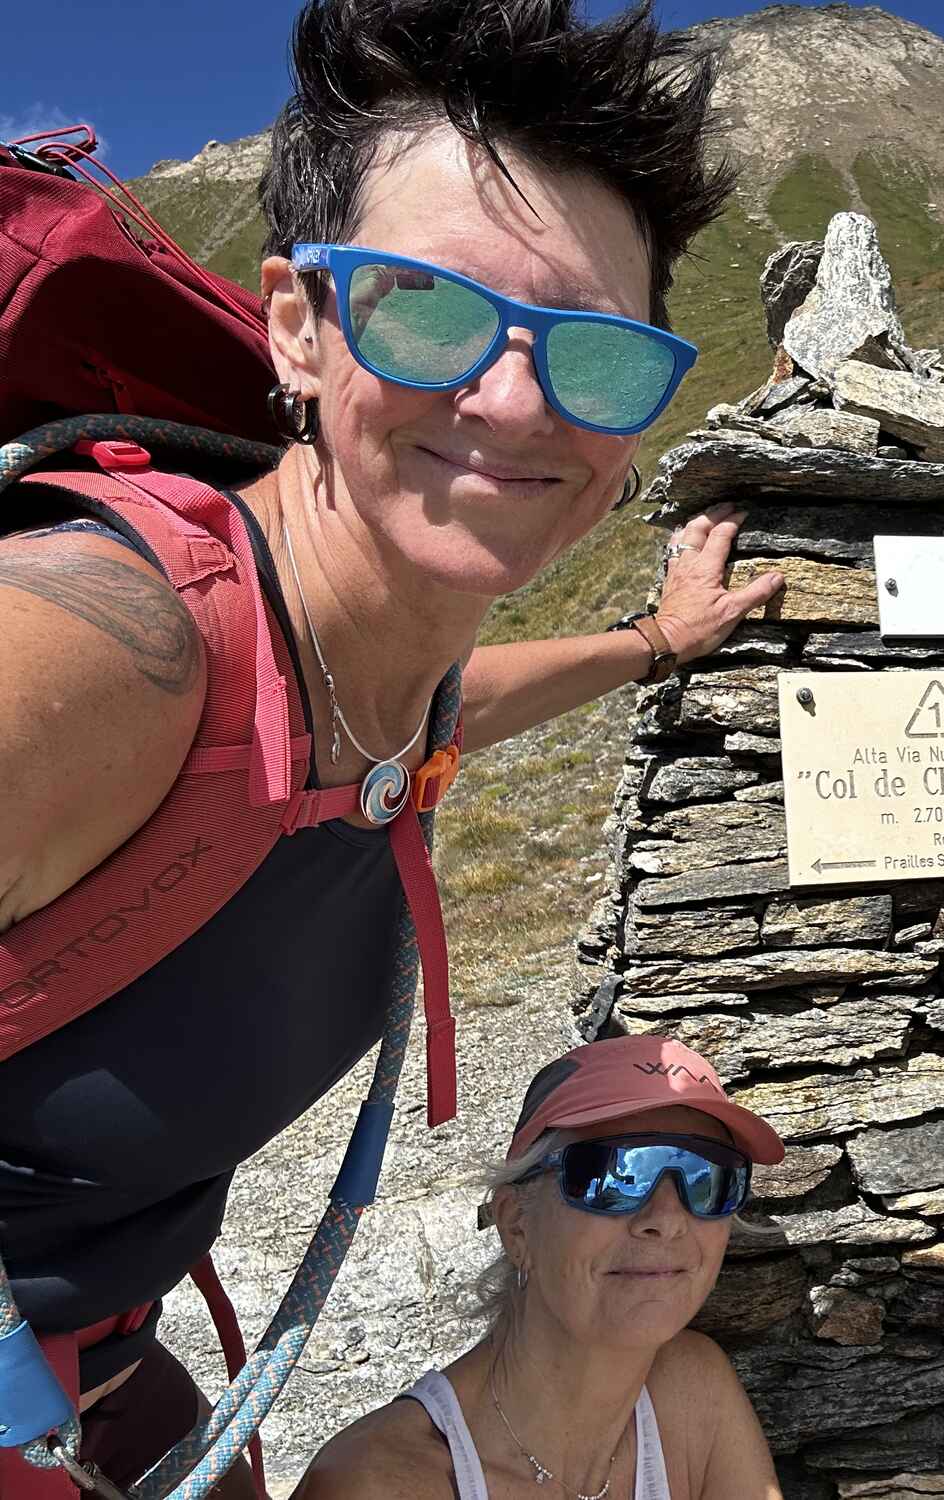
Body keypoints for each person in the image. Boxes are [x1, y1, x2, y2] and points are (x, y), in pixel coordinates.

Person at [0, 1, 779, 1491]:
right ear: (300, 324)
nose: (511, 398)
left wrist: (656, 647)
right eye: (433, 312)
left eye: (597, 359)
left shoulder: (373, 705)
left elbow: (444, 712)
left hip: (105, 1374)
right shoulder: (101, 648)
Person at [294, 1036, 785, 1500]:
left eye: (708, 1178)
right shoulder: (384, 1483)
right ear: (517, 1224)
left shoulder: (694, 1389)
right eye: (612, 1175)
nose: (666, 1219)